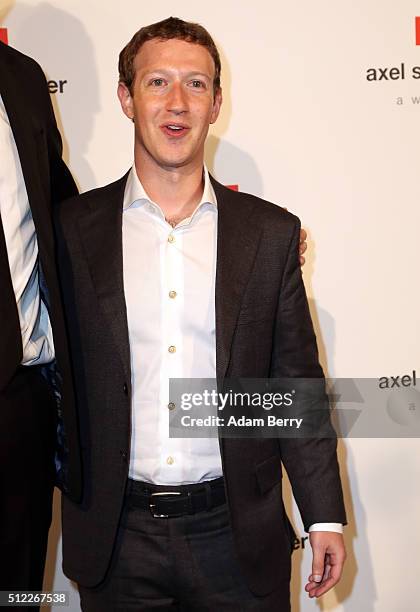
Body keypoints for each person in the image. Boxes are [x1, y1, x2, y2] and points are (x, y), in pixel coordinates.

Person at [55, 17, 346, 611]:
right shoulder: (70, 230)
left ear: (216, 103)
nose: (177, 102)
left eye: (196, 84)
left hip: (237, 536)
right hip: (115, 539)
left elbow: (294, 385)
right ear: (125, 98)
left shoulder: (269, 235)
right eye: (157, 82)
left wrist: (324, 518)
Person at [0, 41, 82, 600]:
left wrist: (238, 234)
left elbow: (63, 209)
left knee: (20, 588)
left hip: (19, 402)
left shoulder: (21, 77)